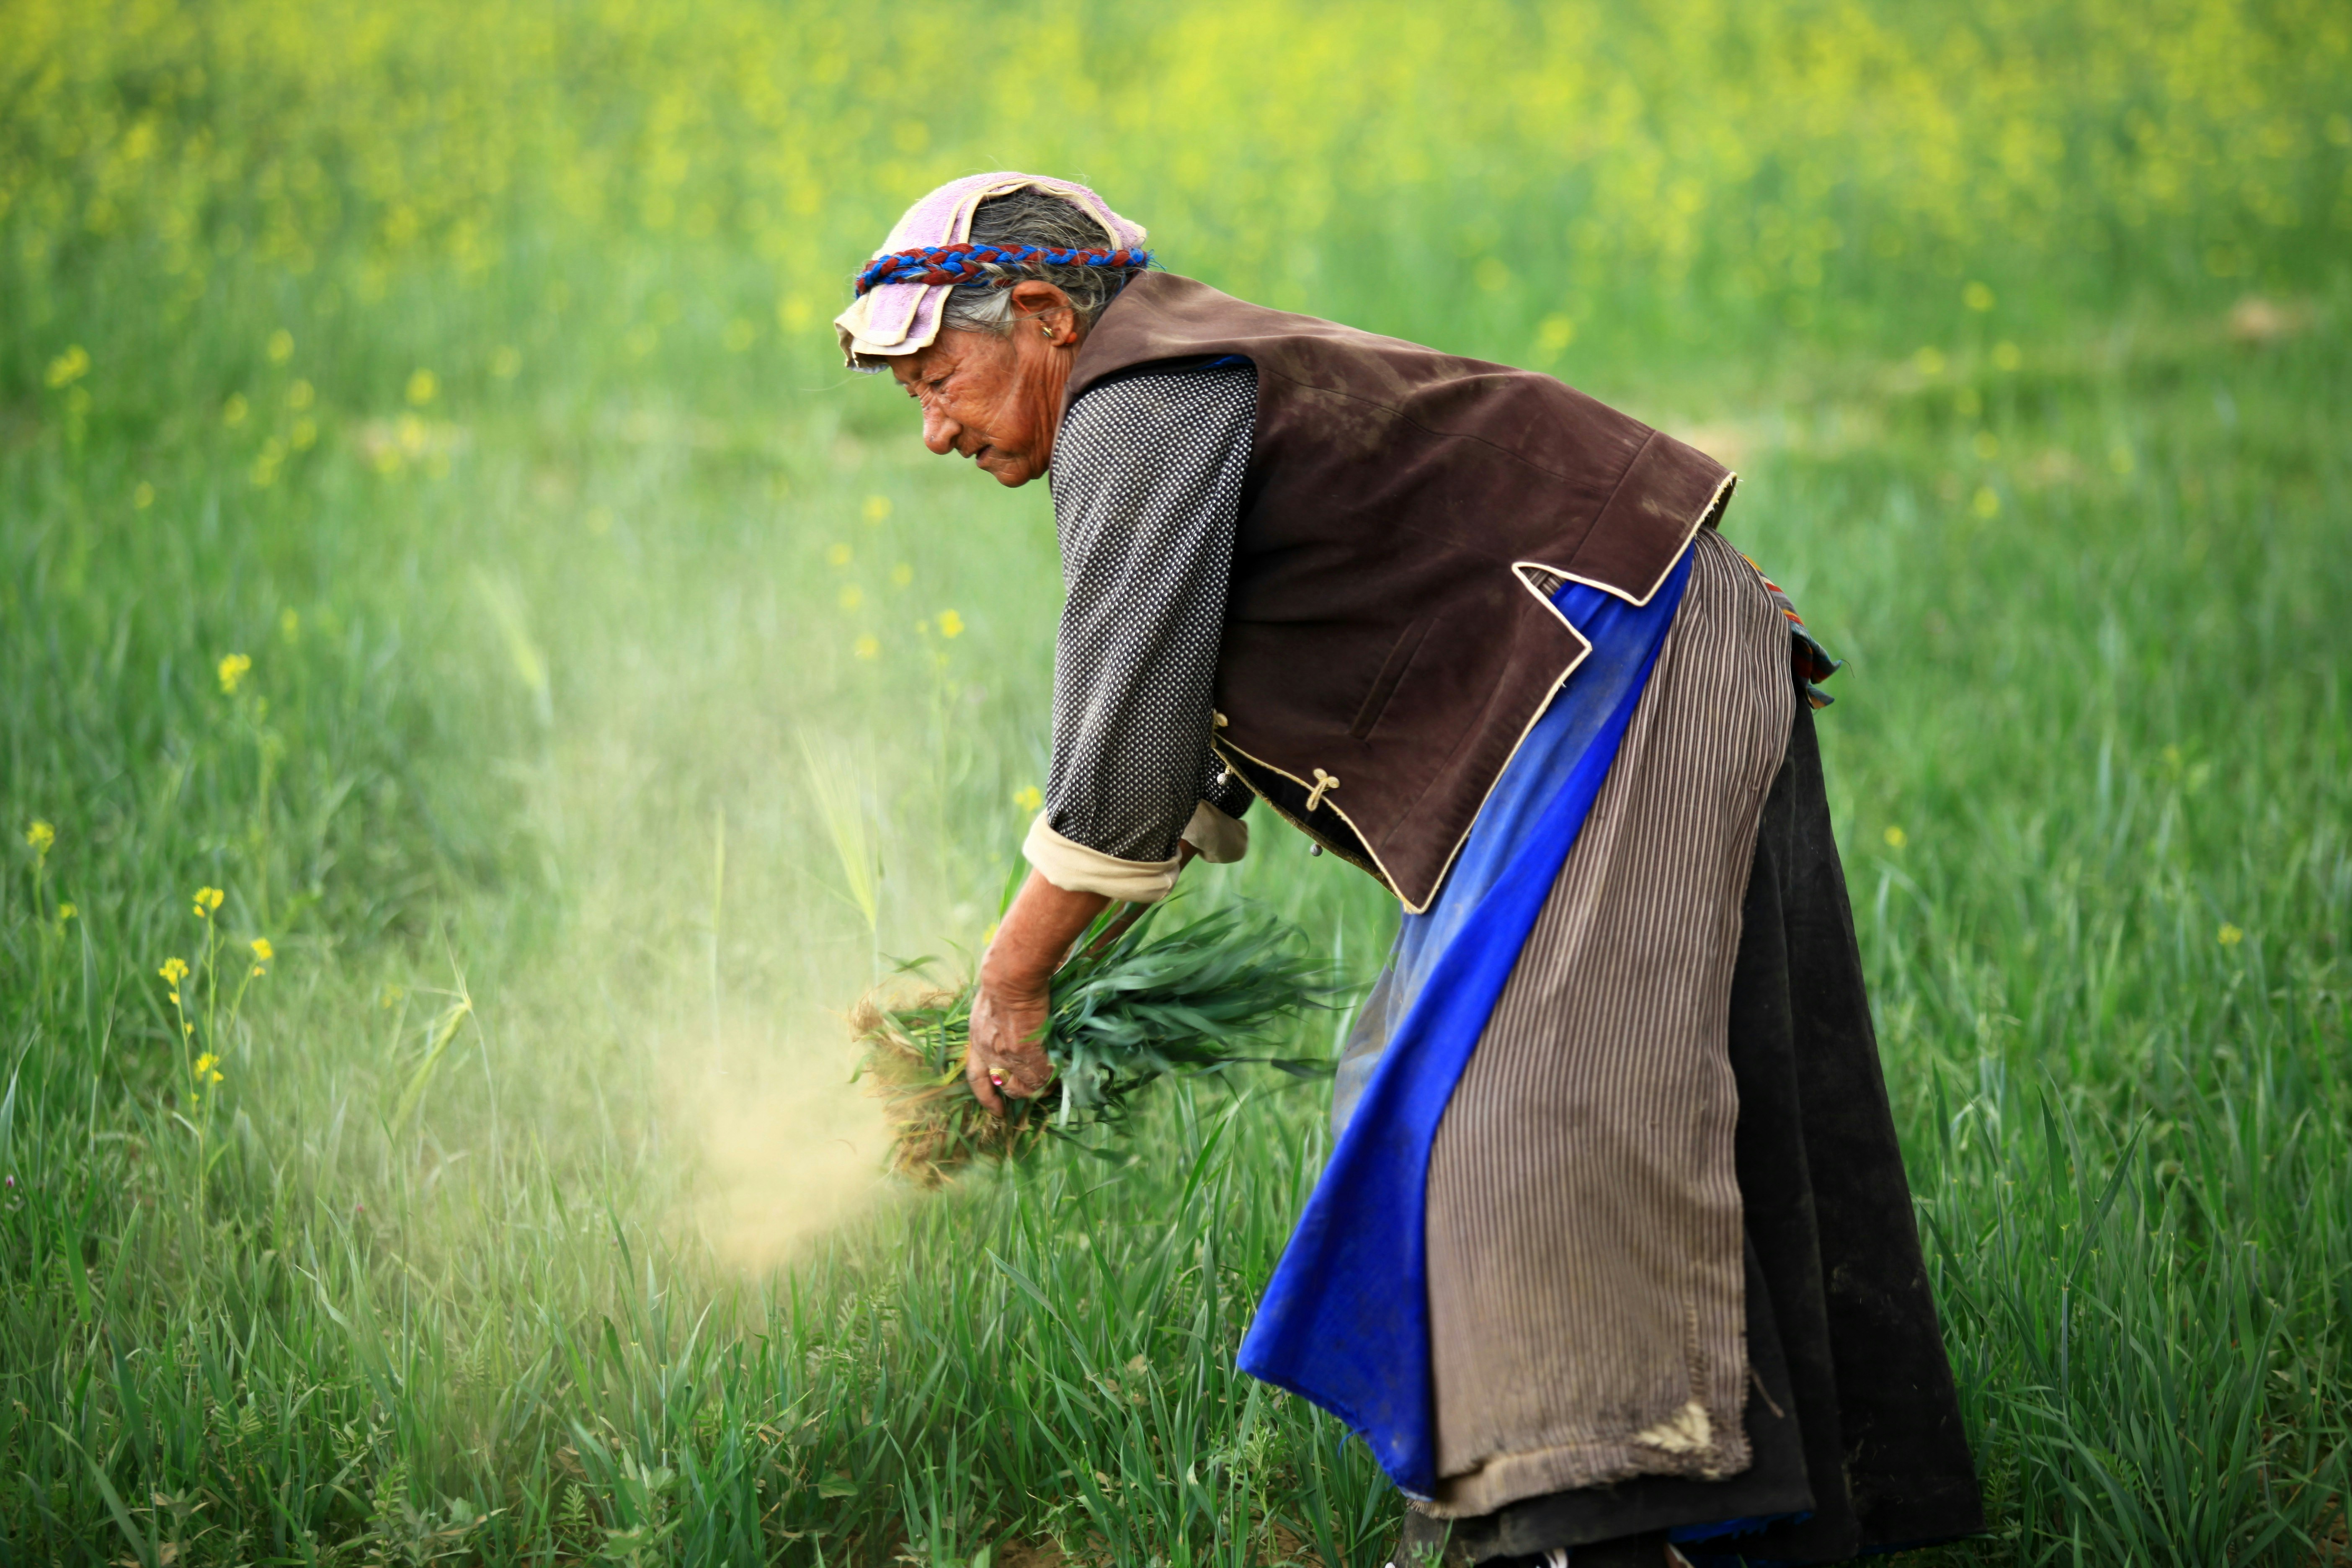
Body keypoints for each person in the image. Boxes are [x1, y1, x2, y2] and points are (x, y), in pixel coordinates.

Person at [833, 172, 1983, 1566]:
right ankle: (1705, 1525)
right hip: (1593, 677)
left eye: (943, 380)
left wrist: (1011, 985)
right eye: (913, 401)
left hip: (1618, 666)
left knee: (1510, 1122)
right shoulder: (1155, 392)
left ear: (1039, 315)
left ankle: (1578, 1529)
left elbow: (1127, 751)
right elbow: (1175, 759)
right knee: (1465, 1090)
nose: (937, 428)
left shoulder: (1140, 398)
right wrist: (1044, 981)